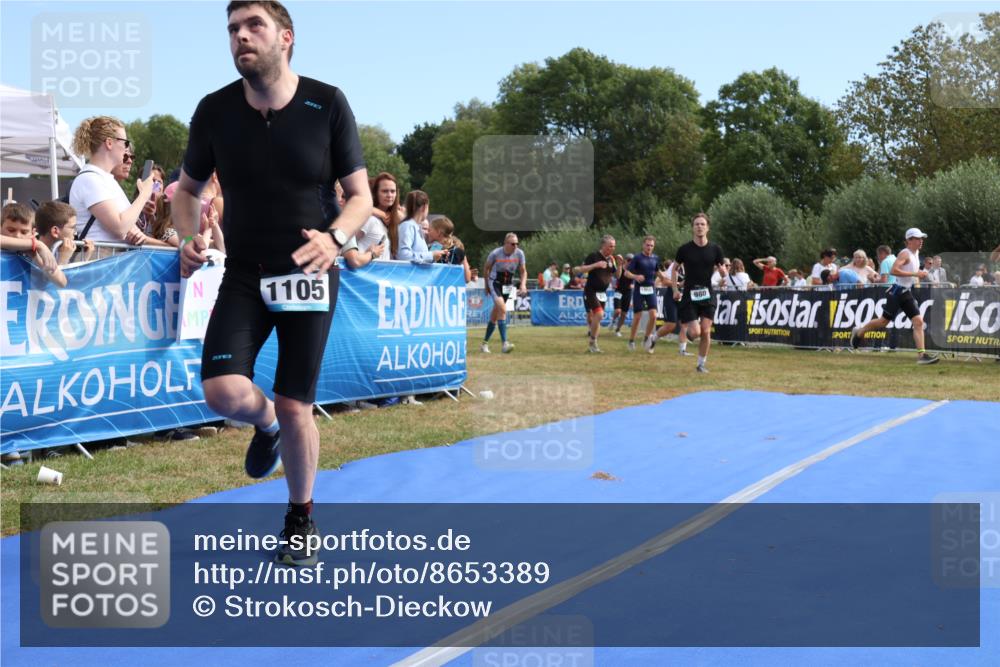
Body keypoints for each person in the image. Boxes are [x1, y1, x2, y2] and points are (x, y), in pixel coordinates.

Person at [174, 0, 371, 566]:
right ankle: (263, 428)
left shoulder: (327, 103)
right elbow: (186, 192)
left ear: (286, 37)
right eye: (232, 29)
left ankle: (300, 515)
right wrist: (191, 239)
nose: (241, 36)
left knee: (294, 403)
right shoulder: (214, 111)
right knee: (223, 391)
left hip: (308, 274)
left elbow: (358, 197)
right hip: (243, 272)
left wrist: (333, 240)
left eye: (253, 25)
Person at [850, 228, 939, 365]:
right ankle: (859, 332)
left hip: (906, 292)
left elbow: (908, 271)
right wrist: (915, 274)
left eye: (922, 238)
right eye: (917, 238)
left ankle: (922, 356)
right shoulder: (905, 253)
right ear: (909, 240)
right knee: (883, 322)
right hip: (897, 292)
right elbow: (894, 271)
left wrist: (917, 274)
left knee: (918, 322)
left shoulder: (916, 253)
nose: (921, 241)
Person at [649, 213, 725, 372]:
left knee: (705, 331)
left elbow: (722, 269)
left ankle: (701, 364)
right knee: (695, 332)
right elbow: (675, 269)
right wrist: (675, 289)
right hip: (690, 295)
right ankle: (687, 337)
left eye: (702, 224)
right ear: (693, 228)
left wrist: (724, 273)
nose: (699, 227)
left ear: (707, 227)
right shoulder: (684, 249)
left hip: (707, 294)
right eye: (696, 224)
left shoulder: (715, 249)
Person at [68, 117, 155, 248]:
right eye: (125, 143)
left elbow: (130, 229)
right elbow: (120, 227)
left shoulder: (106, 180)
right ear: (109, 143)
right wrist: (144, 195)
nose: (127, 149)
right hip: (99, 262)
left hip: (111, 261)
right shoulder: (90, 179)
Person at [575, 235, 621, 353]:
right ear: (603, 245)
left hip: (602, 293)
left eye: (614, 246)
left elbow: (617, 276)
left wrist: (620, 265)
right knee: (599, 314)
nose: (612, 248)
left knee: (598, 318)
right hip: (591, 290)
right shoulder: (593, 256)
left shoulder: (611, 259)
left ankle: (593, 343)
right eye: (610, 246)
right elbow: (581, 269)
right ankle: (592, 341)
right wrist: (596, 265)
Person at [481, 232, 526, 353]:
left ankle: (484, 344)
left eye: (517, 243)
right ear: (505, 244)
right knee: (503, 309)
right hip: (495, 282)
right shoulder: (496, 253)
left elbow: (523, 271)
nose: (515, 246)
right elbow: (486, 268)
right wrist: (486, 285)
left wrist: (523, 284)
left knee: (495, 315)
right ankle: (505, 344)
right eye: (512, 244)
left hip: (508, 285)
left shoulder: (520, 254)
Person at [1, 202, 65, 285]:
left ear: (33, 233)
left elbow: (62, 282)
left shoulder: (34, 252)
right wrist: (38, 244)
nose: (17, 236)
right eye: (11, 230)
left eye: (24, 232)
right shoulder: (37, 245)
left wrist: (36, 258)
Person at [35, 200, 95, 266]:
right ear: (55, 231)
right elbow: (48, 276)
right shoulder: (34, 254)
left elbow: (73, 275)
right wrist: (62, 261)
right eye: (72, 227)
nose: (75, 232)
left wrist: (84, 258)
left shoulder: (59, 250)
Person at [624, 237, 659, 351]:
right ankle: (631, 340)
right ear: (643, 245)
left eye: (651, 246)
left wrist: (670, 280)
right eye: (647, 245)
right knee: (637, 316)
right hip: (639, 289)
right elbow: (626, 273)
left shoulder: (655, 258)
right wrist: (636, 276)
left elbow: (658, 272)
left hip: (651, 289)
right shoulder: (637, 258)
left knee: (654, 316)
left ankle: (646, 338)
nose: (649, 247)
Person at [359, 172, 400, 260]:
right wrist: (369, 255)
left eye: (393, 191)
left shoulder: (391, 220)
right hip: (364, 271)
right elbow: (347, 244)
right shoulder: (369, 219)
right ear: (375, 193)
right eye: (385, 191)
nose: (389, 195)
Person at [396, 190, 443, 263]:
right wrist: (431, 255)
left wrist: (434, 256)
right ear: (424, 207)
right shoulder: (408, 226)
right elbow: (403, 255)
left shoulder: (415, 226)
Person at [428, 216, 471, 283]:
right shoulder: (459, 251)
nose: (428, 233)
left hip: (435, 291)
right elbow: (467, 278)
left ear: (439, 232)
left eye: (429, 230)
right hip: (452, 291)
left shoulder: (431, 251)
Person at [610, 253, 633, 337]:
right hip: (618, 291)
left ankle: (617, 330)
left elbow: (636, 280)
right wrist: (619, 265)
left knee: (624, 314)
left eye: (631, 261)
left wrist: (633, 285)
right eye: (629, 260)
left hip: (628, 292)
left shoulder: (633, 269)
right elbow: (618, 277)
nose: (630, 262)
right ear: (625, 261)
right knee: (617, 311)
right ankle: (612, 321)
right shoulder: (620, 267)